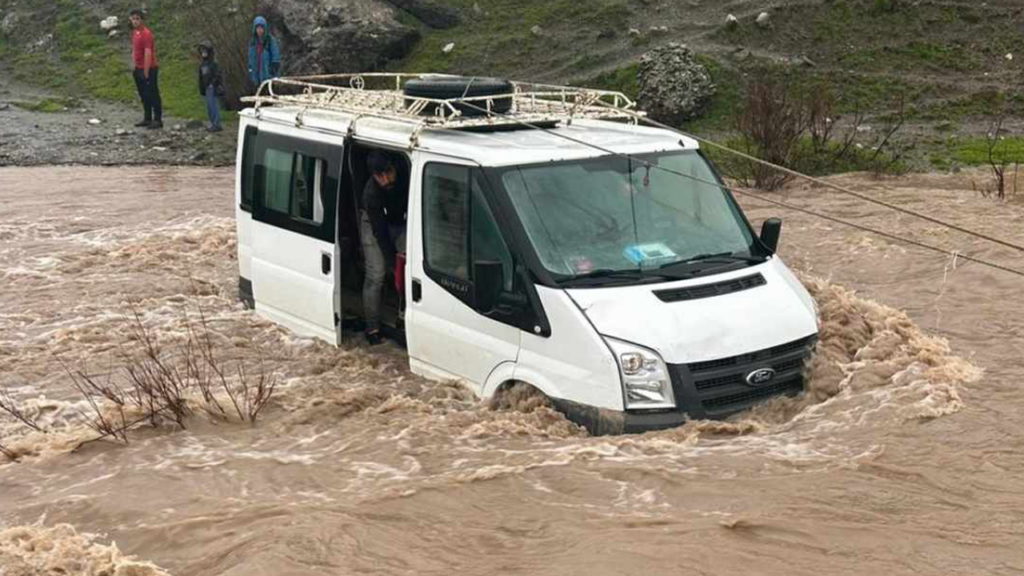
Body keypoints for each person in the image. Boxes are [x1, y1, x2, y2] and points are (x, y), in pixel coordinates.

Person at [360, 151, 407, 345]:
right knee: (376, 275)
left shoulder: (407, 172)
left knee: (409, 269)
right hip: (374, 223)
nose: (385, 179)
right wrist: (391, 261)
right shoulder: (371, 194)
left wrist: (400, 259)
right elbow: (380, 232)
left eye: (388, 173)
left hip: (401, 219)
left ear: (394, 168)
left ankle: (403, 317)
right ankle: (372, 328)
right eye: (379, 176)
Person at [128, 9, 162, 129]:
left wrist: (146, 71)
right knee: (143, 94)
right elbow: (134, 50)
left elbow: (148, 53)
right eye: (133, 18)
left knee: (153, 93)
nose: (135, 21)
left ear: (141, 20)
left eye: (137, 18)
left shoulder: (146, 34)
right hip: (138, 68)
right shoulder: (135, 33)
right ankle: (147, 118)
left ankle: (158, 119)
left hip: (149, 68)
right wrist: (134, 65)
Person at [247, 16, 281, 91]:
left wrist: (272, 71)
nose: (259, 30)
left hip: (268, 75)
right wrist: (251, 72)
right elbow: (250, 59)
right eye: (257, 28)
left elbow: (276, 57)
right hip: (256, 76)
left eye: (261, 28)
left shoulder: (270, 40)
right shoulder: (252, 42)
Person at [196, 41, 223, 132]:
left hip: (212, 88)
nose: (203, 52)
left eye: (205, 50)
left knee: (213, 106)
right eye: (202, 51)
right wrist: (202, 89)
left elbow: (218, 75)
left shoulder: (214, 63)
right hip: (206, 88)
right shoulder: (202, 65)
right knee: (209, 107)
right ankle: (212, 123)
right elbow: (200, 78)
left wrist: (212, 84)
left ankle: (217, 124)